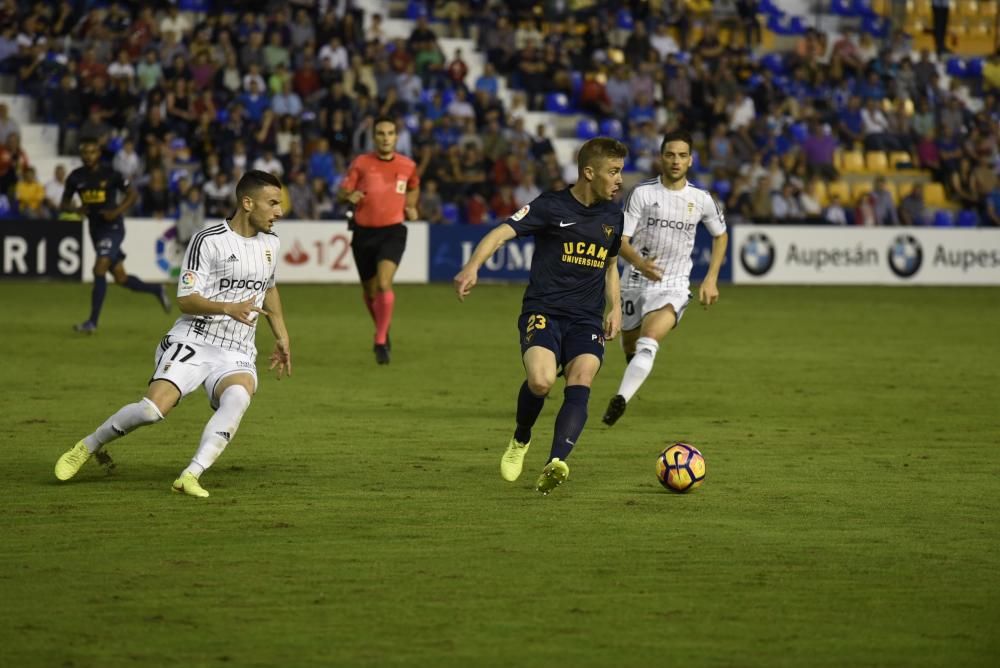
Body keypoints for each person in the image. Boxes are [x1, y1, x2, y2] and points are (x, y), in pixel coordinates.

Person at [54, 170, 292, 498]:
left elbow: (270, 288)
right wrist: (227, 308)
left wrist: (282, 335)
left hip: (236, 349)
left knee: (237, 397)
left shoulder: (272, 244)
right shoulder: (209, 241)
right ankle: (89, 445)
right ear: (248, 203)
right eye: (273, 203)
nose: (280, 211)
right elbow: (185, 300)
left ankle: (190, 475)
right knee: (152, 411)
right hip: (194, 338)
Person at [453, 137, 627, 495]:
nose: (619, 179)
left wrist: (615, 306)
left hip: (586, 319)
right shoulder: (551, 206)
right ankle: (521, 438)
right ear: (589, 172)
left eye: (620, 171)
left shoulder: (613, 215)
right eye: (613, 171)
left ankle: (556, 462)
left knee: (582, 378)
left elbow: (610, 264)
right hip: (544, 312)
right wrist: (473, 266)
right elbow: (502, 232)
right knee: (542, 382)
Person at [601, 129, 728, 427]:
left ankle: (620, 399)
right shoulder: (642, 194)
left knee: (649, 341)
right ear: (661, 157)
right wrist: (640, 264)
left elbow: (720, 237)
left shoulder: (701, 199)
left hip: (673, 285)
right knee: (631, 347)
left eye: (682, 155)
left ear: (691, 160)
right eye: (670, 154)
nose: (676, 160)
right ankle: (633, 371)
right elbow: (620, 240)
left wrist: (711, 279)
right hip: (633, 281)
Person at [61, 137, 170, 333]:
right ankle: (157, 289)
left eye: (92, 152)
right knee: (121, 277)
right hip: (95, 229)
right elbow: (64, 202)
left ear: (99, 154)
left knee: (99, 268)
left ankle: (92, 322)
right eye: (85, 152)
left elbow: (133, 194)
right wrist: (76, 209)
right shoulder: (76, 177)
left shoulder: (111, 174)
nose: (88, 156)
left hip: (112, 227)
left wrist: (117, 211)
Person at [338, 115, 420, 365]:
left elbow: (413, 186)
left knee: (384, 283)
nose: (386, 138)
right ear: (374, 138)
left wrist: (412, 206)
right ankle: (382, 330)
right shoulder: (361, 163)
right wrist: (349, 195)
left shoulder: (408, 165)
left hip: (393, 231)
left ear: (397, 137)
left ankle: (381, 340)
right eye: (381, 134)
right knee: (370, 290)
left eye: (390, 133)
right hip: (364, 233)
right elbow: (343, 190)